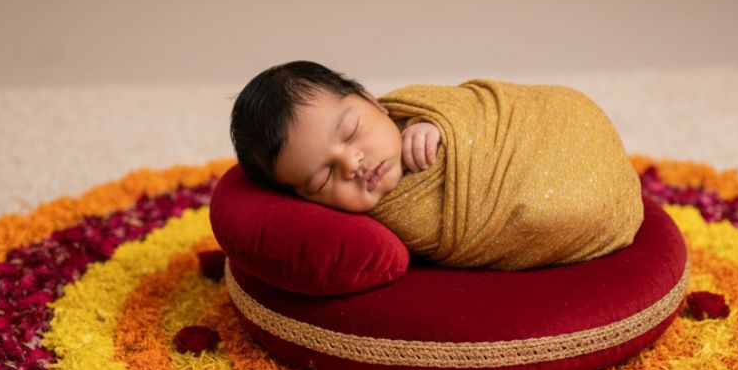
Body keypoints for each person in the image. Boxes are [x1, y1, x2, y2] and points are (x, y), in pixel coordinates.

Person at [229, 60, 644, 270]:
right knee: (551, 210)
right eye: (323, 175)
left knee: (567, 110)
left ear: (373, 101)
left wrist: (441, 125)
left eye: (352, 130)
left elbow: (482, 109)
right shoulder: (381, 226)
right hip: (522, 206)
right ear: (305, 199)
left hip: (553, 128)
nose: (352, 163)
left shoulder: (414, 109)